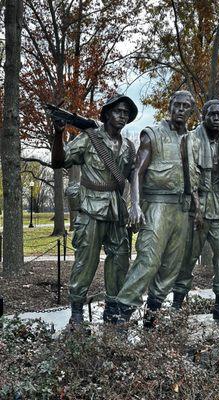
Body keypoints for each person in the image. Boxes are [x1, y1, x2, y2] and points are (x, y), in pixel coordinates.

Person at [115, 90, 201, 327]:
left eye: (186, 106)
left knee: (171, 267)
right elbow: (137, 173)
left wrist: (198, 209)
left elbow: (193, 179)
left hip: (182, 210)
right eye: (177, 105)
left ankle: (152, 316)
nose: (180, 110)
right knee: (149, 260)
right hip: (157, 205)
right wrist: (135, 205)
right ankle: (122, 314)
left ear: (191, 111)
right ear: (170, 106)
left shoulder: (193, 140)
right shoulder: (152, 134)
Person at [51, 94, 138, 326]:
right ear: (107, 113)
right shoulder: (89, 138)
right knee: (86, 261)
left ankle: (113, 308)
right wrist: (58, 134)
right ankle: (77, 312)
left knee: (119, 260)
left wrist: (136, 205)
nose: (122, 116)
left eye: (126, 113)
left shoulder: (129, 146)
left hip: (116, 211)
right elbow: (60, 161)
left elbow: (134, 175)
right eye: (118, 111)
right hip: (90, 208)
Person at [172, 99, 219, 325]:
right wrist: (196, 208)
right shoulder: (192, 140)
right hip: (198, 207)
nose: (217, 118)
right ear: (203, 116)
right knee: (188, 258)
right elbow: (190, 178)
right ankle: (176, 305)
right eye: (212, 114)